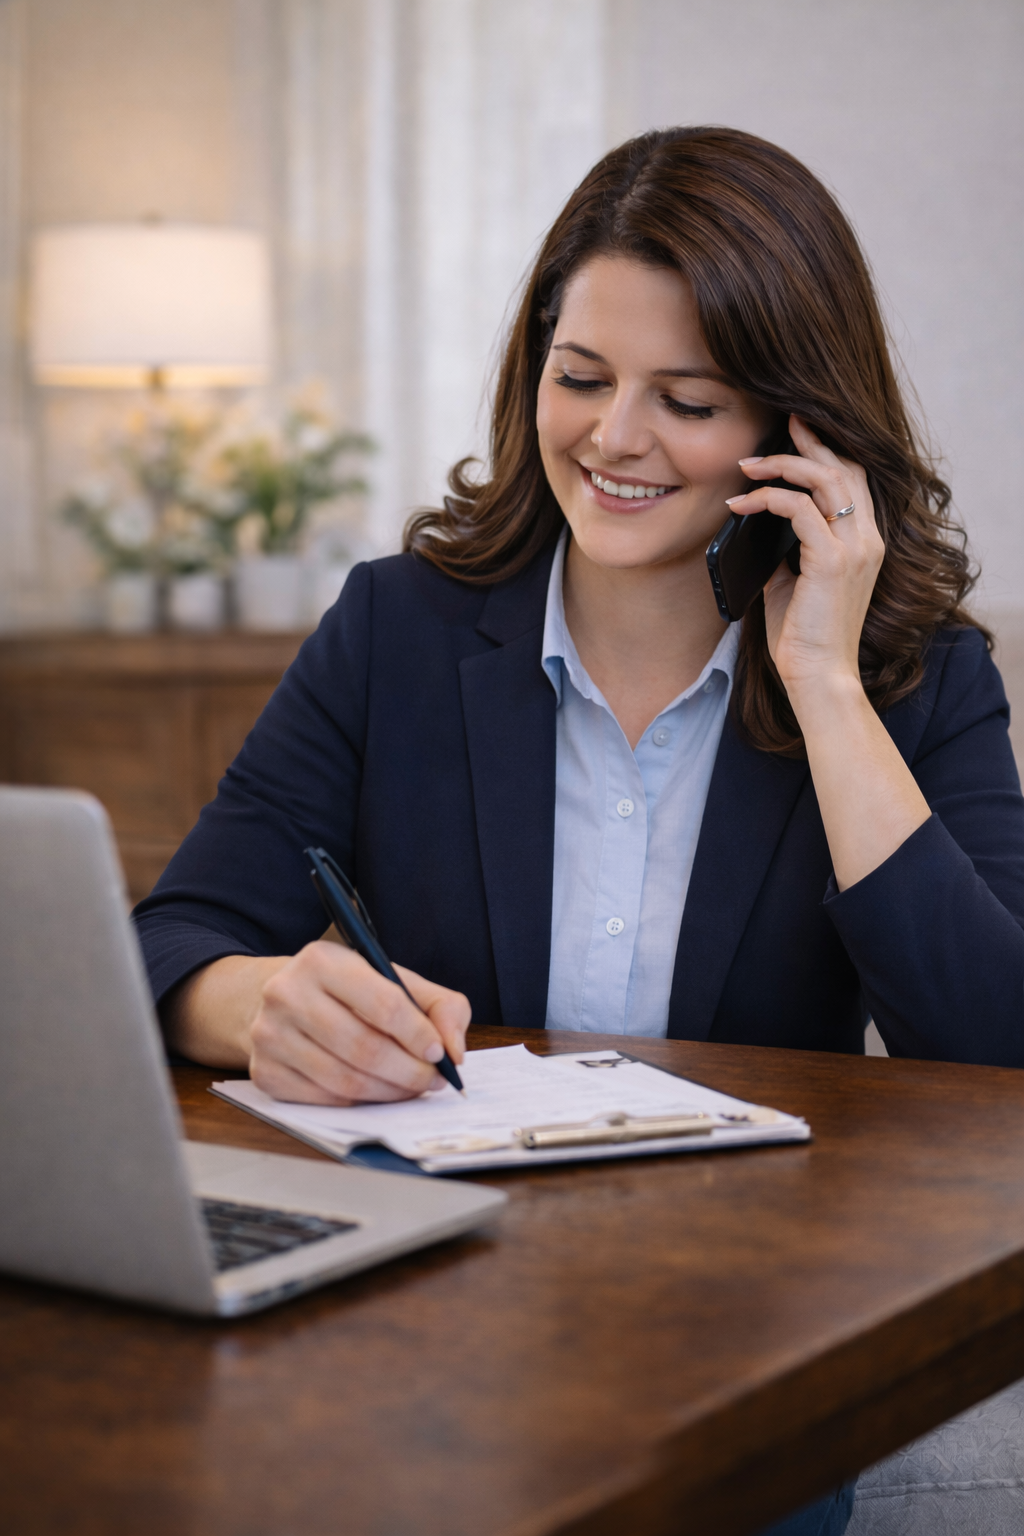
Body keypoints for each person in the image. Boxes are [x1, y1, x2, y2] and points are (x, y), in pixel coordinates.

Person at [135, 127, 1024, 1536]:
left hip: (742, 1336)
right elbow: (167, 939)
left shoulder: (918, 682)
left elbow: (994, 1052)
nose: (614, 438)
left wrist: (828, 684)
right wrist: (263, 1003)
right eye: (583, 377)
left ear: (803, 434)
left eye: (689, 398)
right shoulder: (396, 630)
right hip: (425, 1300)